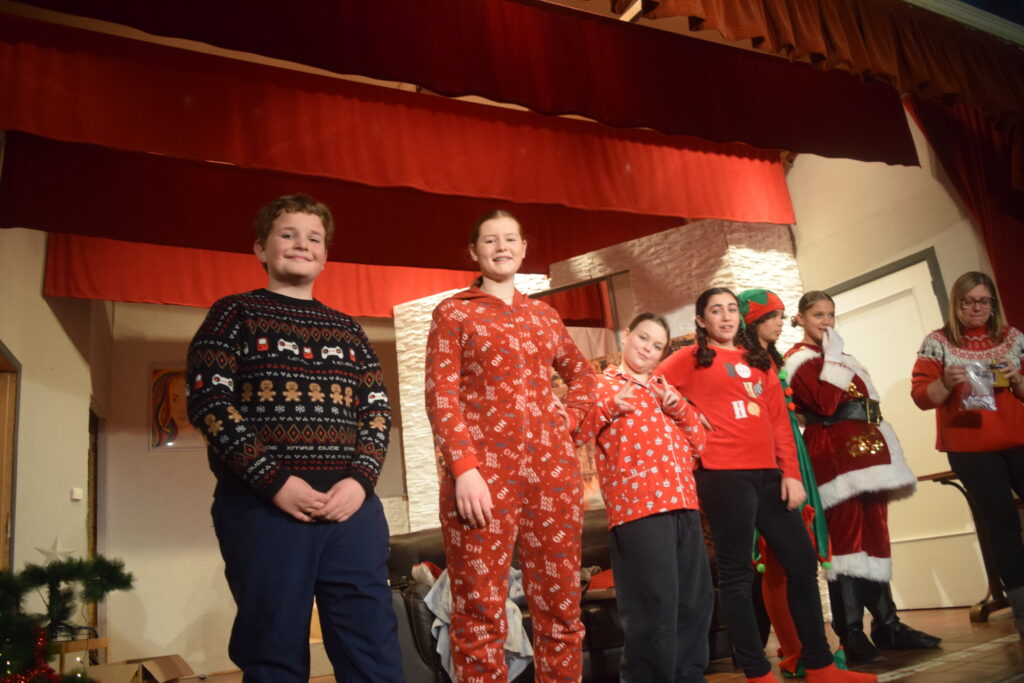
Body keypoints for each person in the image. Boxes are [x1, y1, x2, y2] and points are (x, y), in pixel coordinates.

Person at [186, 194, 402, 682]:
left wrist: (360, 483)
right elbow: (210, 403)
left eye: (314, 238)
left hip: (352, 513)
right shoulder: (232, 315)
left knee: (373, 649)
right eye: (288, 234)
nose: (302, 245)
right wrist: (276, 482)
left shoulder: (348, 330)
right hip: (263, 510)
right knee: (274, 653)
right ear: (261, 248)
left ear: (325, 255)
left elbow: (376, 411)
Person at [657, 287, 875, 683]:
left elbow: (778, 422)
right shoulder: (688, 358)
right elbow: (652, 388)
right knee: (738, 573)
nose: (726, 317)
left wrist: (790, 473)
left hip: (769, 475)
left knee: (802, 563)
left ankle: (820, 665)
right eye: (716, 311)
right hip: (722, 475)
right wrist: (687, 417)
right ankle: (757, 672)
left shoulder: (758, 360)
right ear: (701, 320)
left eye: (731, 309)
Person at [424, 209, 597, 682]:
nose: (501, 247)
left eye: (510, 239)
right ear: (473, 252)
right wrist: (464, 468)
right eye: (490, 240)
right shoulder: (454, 312)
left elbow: (584, 377)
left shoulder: (545, 315)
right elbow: (441, 395)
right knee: (479, 611)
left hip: (553, 477)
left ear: (523, 248)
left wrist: (571, 417)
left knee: (561, 609)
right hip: (481, 480)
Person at [785, 291, 938, 665]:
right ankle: (851, 631)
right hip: (836, 459)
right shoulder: (799, 360)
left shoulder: (840, 356)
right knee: (846, 545)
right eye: (818, 315)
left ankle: (888, 625)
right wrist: (834, 357)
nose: (826, 322)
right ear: (801, 318)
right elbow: (825, 404)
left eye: (831, 315)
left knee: (875, 538)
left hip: (870, 458)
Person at [571, 312, 710, 682]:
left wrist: (678, 408)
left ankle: (689, 677)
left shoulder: (667, 390)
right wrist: (610, 407)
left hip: (684, 504)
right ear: (626, 335)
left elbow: (701, 443)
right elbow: (573, 434)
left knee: (694, 602)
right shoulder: (600, 386)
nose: (648, 349)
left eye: (657, 345)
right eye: (643, 338)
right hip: (639, 510)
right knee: (653, 607)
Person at [911, 271, 1024, 637]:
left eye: (983, 301)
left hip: (1019, 441)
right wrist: (946, 382)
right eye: (968, 301)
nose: (977, 308)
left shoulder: (1012, 338)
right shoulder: (938, 342)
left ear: (993, 304)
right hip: (971, 450)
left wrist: (1018, 378)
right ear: (956, 304)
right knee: (1003, 526)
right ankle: (1022, 611)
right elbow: (921, 398)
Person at [736, 289, 834, 678]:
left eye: (780, 315)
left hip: (791, 458)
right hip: (769, 466)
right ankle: (793, 651)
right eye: (771, 316)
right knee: (775, 560)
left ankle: (810, 651)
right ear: (752, 322)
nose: (781, 322)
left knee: (797, 558)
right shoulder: (743, 362)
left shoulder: (770, 358)